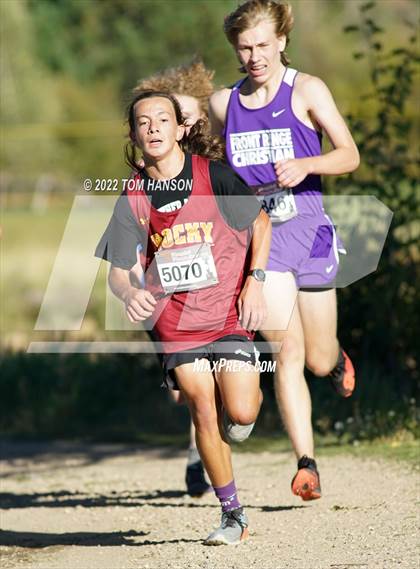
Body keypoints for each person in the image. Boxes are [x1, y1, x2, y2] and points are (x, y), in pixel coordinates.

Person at [96, 90, 271, 544]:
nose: (152, 127)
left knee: (241, 410)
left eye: (162, 120)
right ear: (134, 134)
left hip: (228, 313)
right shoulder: (133, 195)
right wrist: (128, 292)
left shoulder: (213, 176)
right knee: (200, 405)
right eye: (142, 121)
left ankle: (242, 416)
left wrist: (255, 278)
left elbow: (260, 223)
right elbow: (118, 272)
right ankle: (234, 516)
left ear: (180, 129)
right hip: (175, 321)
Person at [209, 0, 360, 501]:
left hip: (311, 235)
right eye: (244, 47)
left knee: (317, 357)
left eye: (261, 45)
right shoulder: (222, 104)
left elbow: (350, 154)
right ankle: (306, 464)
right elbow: (210, 166)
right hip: (263, 244)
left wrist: (306, 164)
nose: (253, 56)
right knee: (287, 350)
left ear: (281, 42)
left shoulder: (308, 89)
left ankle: (338, 362)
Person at [133, 59, 217, 498]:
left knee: (211, 382)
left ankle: (202, 455)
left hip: (213, 291)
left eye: (185, 119)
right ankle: (198, 443)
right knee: (182, 392)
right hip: (164, 290)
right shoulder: (145, 174)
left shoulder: (214, 167)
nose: (171, 128)